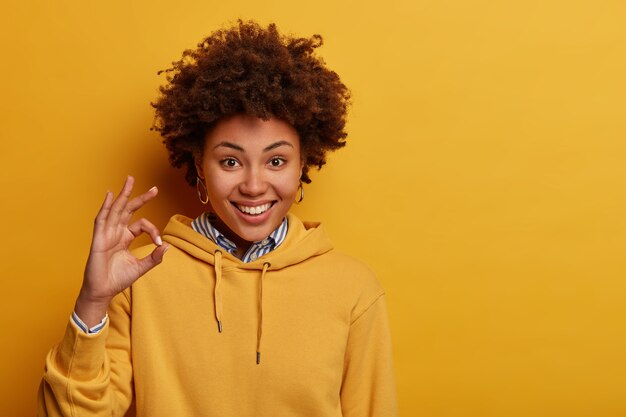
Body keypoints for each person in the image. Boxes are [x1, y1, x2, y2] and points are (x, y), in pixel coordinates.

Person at [38, 20, 397, 417]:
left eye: (276, 160)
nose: (254, 185)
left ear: (302, 166)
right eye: (230, 161)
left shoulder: (353, 290)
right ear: (200, 167)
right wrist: (93, 300)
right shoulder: (138, 279)